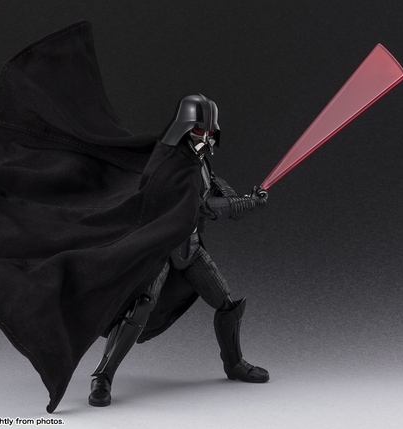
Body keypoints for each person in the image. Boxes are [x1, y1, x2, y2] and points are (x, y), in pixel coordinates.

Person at [88, 94, 270, 407]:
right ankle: (102, 375)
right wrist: (246, 204)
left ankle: (234, 364)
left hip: (189, 246)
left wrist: (245, 199)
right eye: (200, 130)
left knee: (227, 305)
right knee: (140, 307)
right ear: (184, 128)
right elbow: (204, 207)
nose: (207, 137)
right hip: (160, 248)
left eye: (210, 131)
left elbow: (215, 189)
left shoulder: (198, 161)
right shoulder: (169, 161)